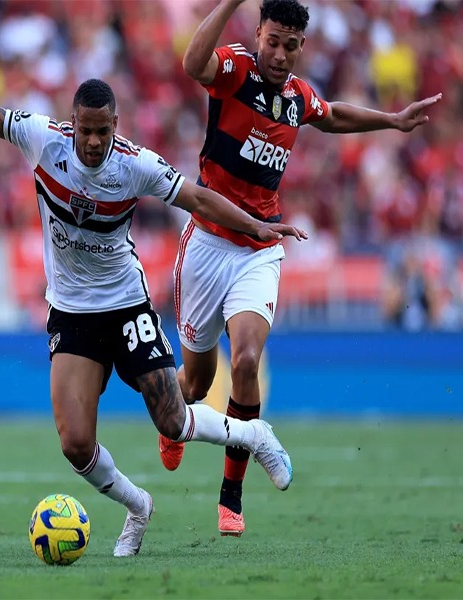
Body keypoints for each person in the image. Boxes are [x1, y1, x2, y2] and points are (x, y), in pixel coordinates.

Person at [0, 0, 305, 557]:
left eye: (102, 132)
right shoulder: (41, 138)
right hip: (70, 309)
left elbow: (196, 197)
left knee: (172, 418)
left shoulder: (134, 163)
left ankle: (254, 435)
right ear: (71, 124)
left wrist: (258, 226)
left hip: (125, 304)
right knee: (75, 444)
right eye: (85, 131)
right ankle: (137, 506)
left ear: (114, 126)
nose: (93, 143)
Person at [158, 0, 443, 537]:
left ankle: (231, 496)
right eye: (273, 41)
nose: (281, 54)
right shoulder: (236, 70)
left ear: (302, 46)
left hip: (261, 247)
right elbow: (193, 65)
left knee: (245, 360)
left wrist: (391, 121)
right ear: (257, 34)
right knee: (194, 383)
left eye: (292, 45)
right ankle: (176, 422)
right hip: (206, 246)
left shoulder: (297, 98)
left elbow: (331, 114)